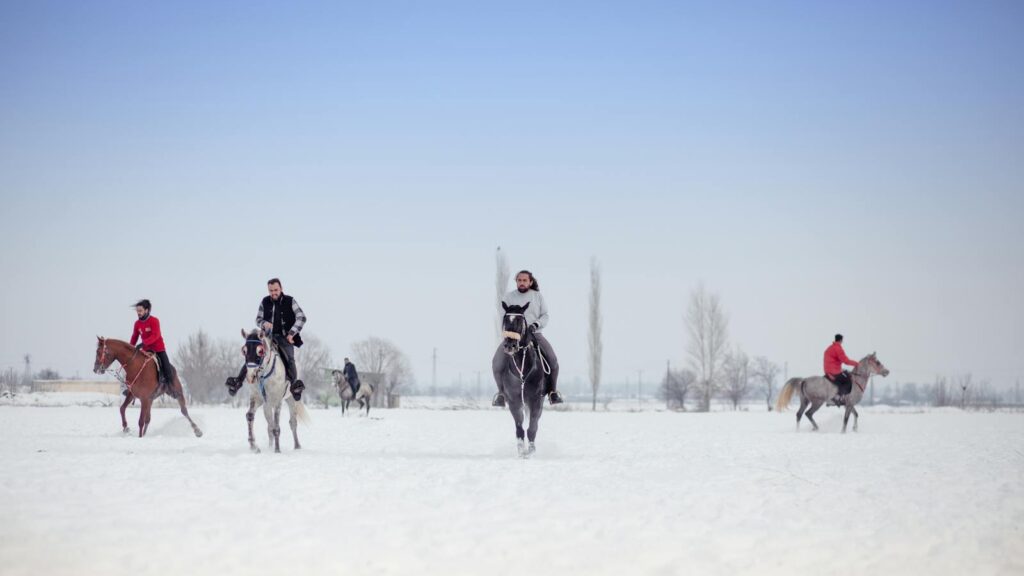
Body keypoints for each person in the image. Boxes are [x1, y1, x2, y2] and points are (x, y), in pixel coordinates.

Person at [227, 278, 307, 400]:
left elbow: (301, 317)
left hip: (285, 338)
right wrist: (263, 323)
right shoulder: (265, 301)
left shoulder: (290, 301)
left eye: (276, 290)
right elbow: (257, 319)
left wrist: (291, 334)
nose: (273, 293)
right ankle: (238, 381)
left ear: (281, 289)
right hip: (268, 337)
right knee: (253, 353)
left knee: (290, 358)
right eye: (271, 290)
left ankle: (294, 385)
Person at [492, 270, 562, 406]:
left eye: (525, 280)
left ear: (530, 282)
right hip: (513, 336)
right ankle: (501, 394)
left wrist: (536, 324)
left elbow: (545, 315)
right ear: (516, 282)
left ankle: (552, 392)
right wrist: (509, 331)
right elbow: (502, 315)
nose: (522, 283)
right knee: (496, 362)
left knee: (553, 361)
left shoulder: (537, 297)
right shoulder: (509, 297)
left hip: (535, 333)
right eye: (519, 280)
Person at [129, 299, 176, 394]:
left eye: (140, 311)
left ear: (146, 310)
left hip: (158, 349)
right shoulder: (137, 324)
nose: (138, 313)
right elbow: (134, 337)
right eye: (137, 311)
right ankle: (131, 388)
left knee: (167, 368)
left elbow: (156, 335)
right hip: (145, 351)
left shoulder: (154, 321)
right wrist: (130, 348)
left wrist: (143, 343)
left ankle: (171, 387)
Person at [824, 333, 859, 406]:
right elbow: (846, 361)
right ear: (841, 340)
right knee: (848, 381)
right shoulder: (838, 348)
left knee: (845, 374)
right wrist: (857, 364)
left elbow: (833, 361)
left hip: (828, 369)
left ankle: (839, 396)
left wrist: (841, 369)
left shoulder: (830, 347)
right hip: (834, 371)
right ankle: (837, 397)